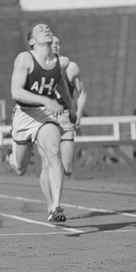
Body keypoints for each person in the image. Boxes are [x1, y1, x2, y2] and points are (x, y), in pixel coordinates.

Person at [8, 22, 76, 223]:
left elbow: (60, 82)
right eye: (40, 29)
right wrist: (45, 99)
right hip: (24, 114)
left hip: (44, 115)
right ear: (31, 41)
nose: (46, 29)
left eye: (47, 28)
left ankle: (55, 208)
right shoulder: (25, 58)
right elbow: (15, 91)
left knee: (53, 153)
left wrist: (70, 107)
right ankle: (10, 158)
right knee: (21, 168)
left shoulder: (59, 62)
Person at [50, 34, 86, 177]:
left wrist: (79, 114)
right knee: (51, 163)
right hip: (47, 117)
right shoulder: (36, 67)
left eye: (58, 43)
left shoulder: (71, 68)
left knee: (67, 169)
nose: (55, 45)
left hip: (66, 117)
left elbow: (82, 93)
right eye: (51, 43)